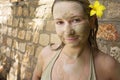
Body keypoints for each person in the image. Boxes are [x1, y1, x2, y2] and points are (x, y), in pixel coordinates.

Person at [32, 0, 120, 80]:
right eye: (60, 22)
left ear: (91, 22)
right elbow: (36, 76)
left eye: (76, 20)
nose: (68, 32)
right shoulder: (46, 55)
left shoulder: (108, 67)